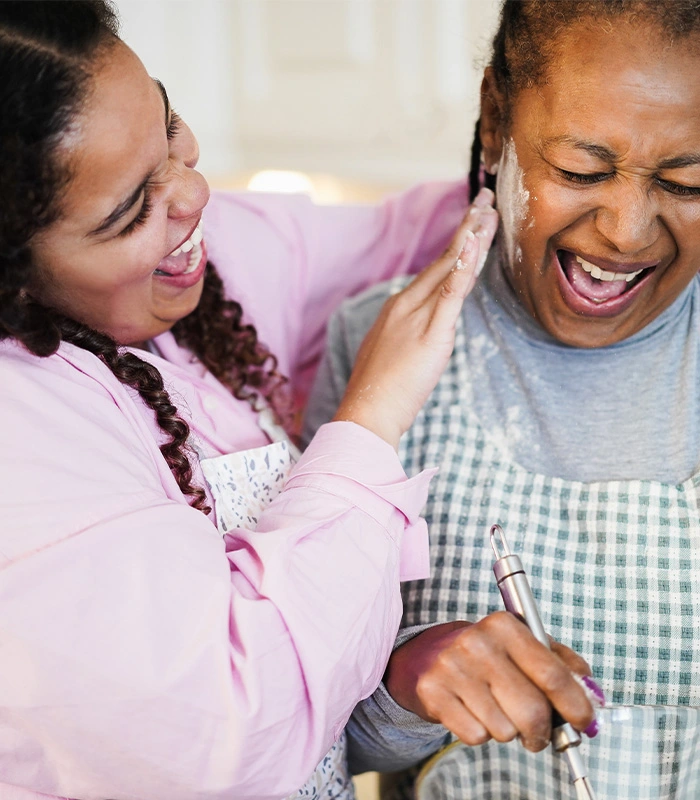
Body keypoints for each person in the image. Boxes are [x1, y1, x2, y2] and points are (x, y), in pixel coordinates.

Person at [0, 2, 502, 799]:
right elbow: (232, 739)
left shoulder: (208, 260)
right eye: (133, 210)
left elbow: (402, 239)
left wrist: (530, 159)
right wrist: (369, 420)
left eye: (168, 129)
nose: (195, 193)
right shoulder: (20, 442)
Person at [304, 0, 700, 797]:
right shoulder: (377, 350)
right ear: (495, 121)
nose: (626, 231)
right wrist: (409, 680)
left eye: (689, 181)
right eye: (582, 170)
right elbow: (313, 750)